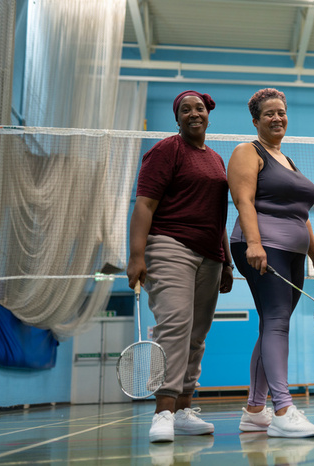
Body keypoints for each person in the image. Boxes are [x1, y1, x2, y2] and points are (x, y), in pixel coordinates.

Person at [127, 90, 234, 443]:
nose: (193, 114)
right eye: (185, 110)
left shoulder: (217, 160)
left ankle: (184, 409)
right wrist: (137, 256)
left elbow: (219, 216)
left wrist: (227, 261)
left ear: (208, 115)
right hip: (169, 245)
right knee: (174, 327)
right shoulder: (166, 150)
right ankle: (162, 412)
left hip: (211, 255)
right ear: (176, 118)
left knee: (196, 335)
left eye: (199, 108)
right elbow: (144, 205)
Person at [229, 88, 314, 438]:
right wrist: (254, 244)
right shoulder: (248, 151)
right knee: (276, 321)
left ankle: (255, 410)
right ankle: (283, 408)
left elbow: (301, 216)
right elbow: (243, 200)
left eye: (281, 112)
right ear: (256, 120)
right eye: (269, 113)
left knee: (274, 323)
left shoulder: (287, 159)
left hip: (294, 253)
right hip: (261, 246)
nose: (277, 118)